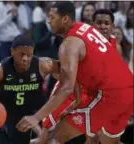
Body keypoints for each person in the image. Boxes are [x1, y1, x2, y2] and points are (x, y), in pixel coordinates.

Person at [16, 2, 133, 144]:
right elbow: (84, 69)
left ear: (64, 19)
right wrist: (77, 99)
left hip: (108, 96)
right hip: (128, 93)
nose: (48, 21)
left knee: (55, 138)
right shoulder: (86, 29)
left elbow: (66, 87)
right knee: (105, 141)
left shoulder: (69, 44)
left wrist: (36, 117)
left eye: (52, 17)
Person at [0, 34, 60, 144]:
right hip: (3, 118)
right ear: (12, 51)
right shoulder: (0, 70)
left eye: (29, 55)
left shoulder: (44, 65)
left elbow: (69, 71)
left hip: (33, 117)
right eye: (21, 54)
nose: (25, 58)